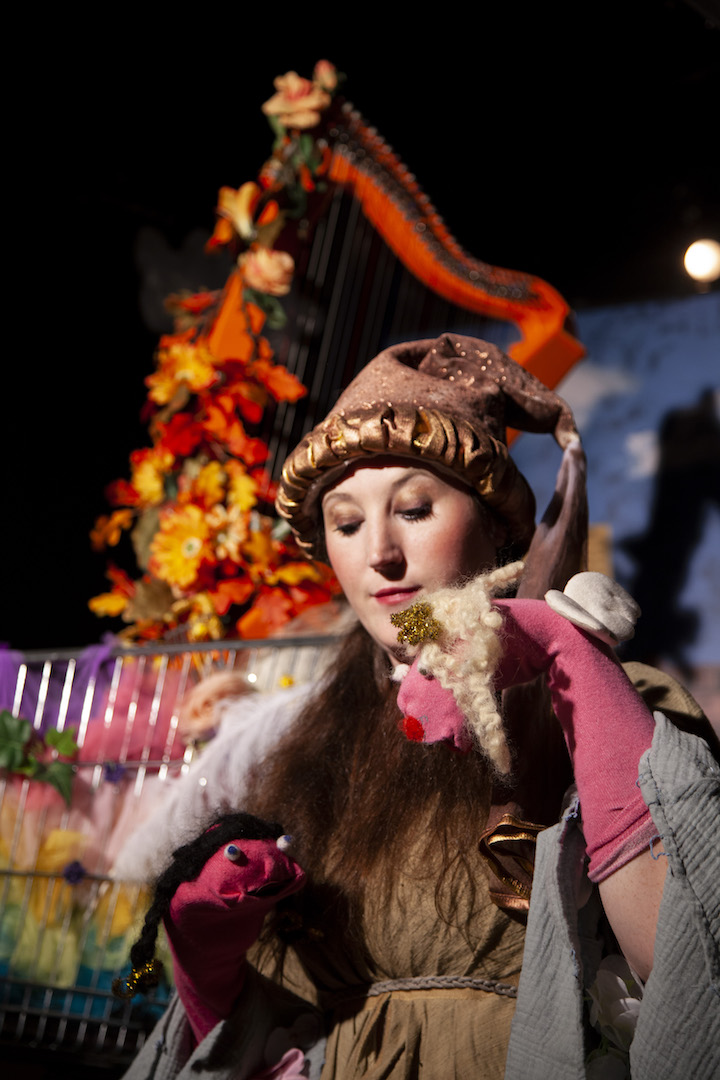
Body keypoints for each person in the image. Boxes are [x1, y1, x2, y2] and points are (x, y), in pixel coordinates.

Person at [117, 334, 719, 1080]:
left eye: (414, 508)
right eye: (346, 524)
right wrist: (203, 960)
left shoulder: (614, 702)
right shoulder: (306, 744)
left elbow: (687, 968)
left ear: (496, 525)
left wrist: (572, 662)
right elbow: (262, 1029)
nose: (380, 553)